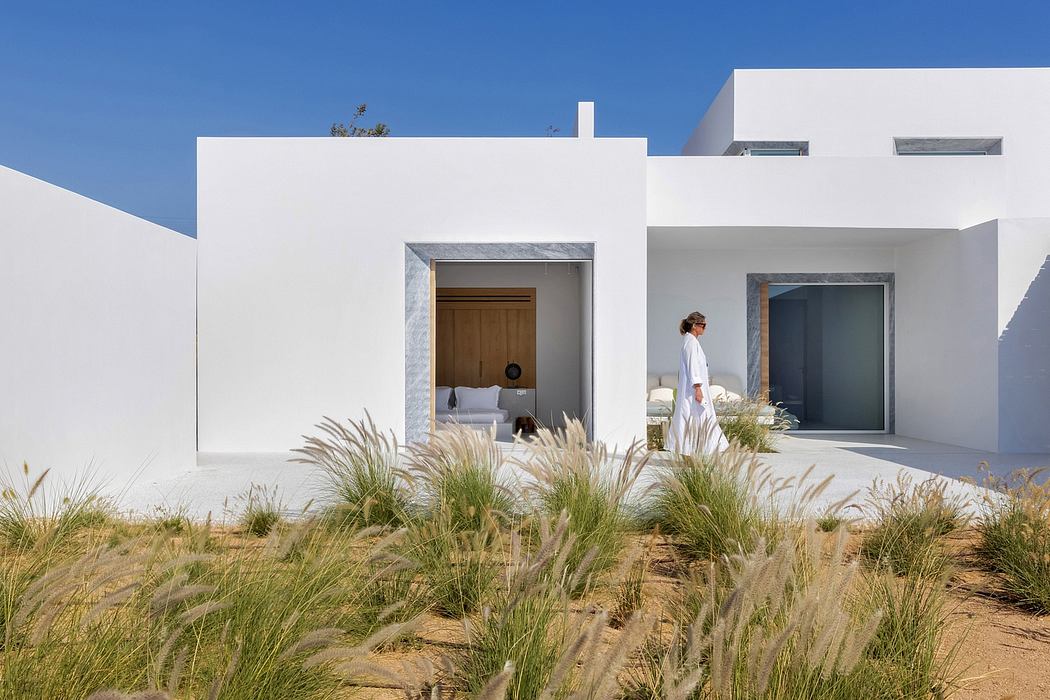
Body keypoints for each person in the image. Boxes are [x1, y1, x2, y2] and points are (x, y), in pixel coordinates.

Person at [666, 311, 730, 455]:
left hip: (696, 388)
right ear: (695, 325)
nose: (705, 328)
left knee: (698, 418)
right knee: (697, 417)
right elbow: (692, 366)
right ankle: (694, 452)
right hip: (693, 390)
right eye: (703, 325)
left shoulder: (692, 342)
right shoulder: (690, 343)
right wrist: (698, 388)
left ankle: (699, 451)